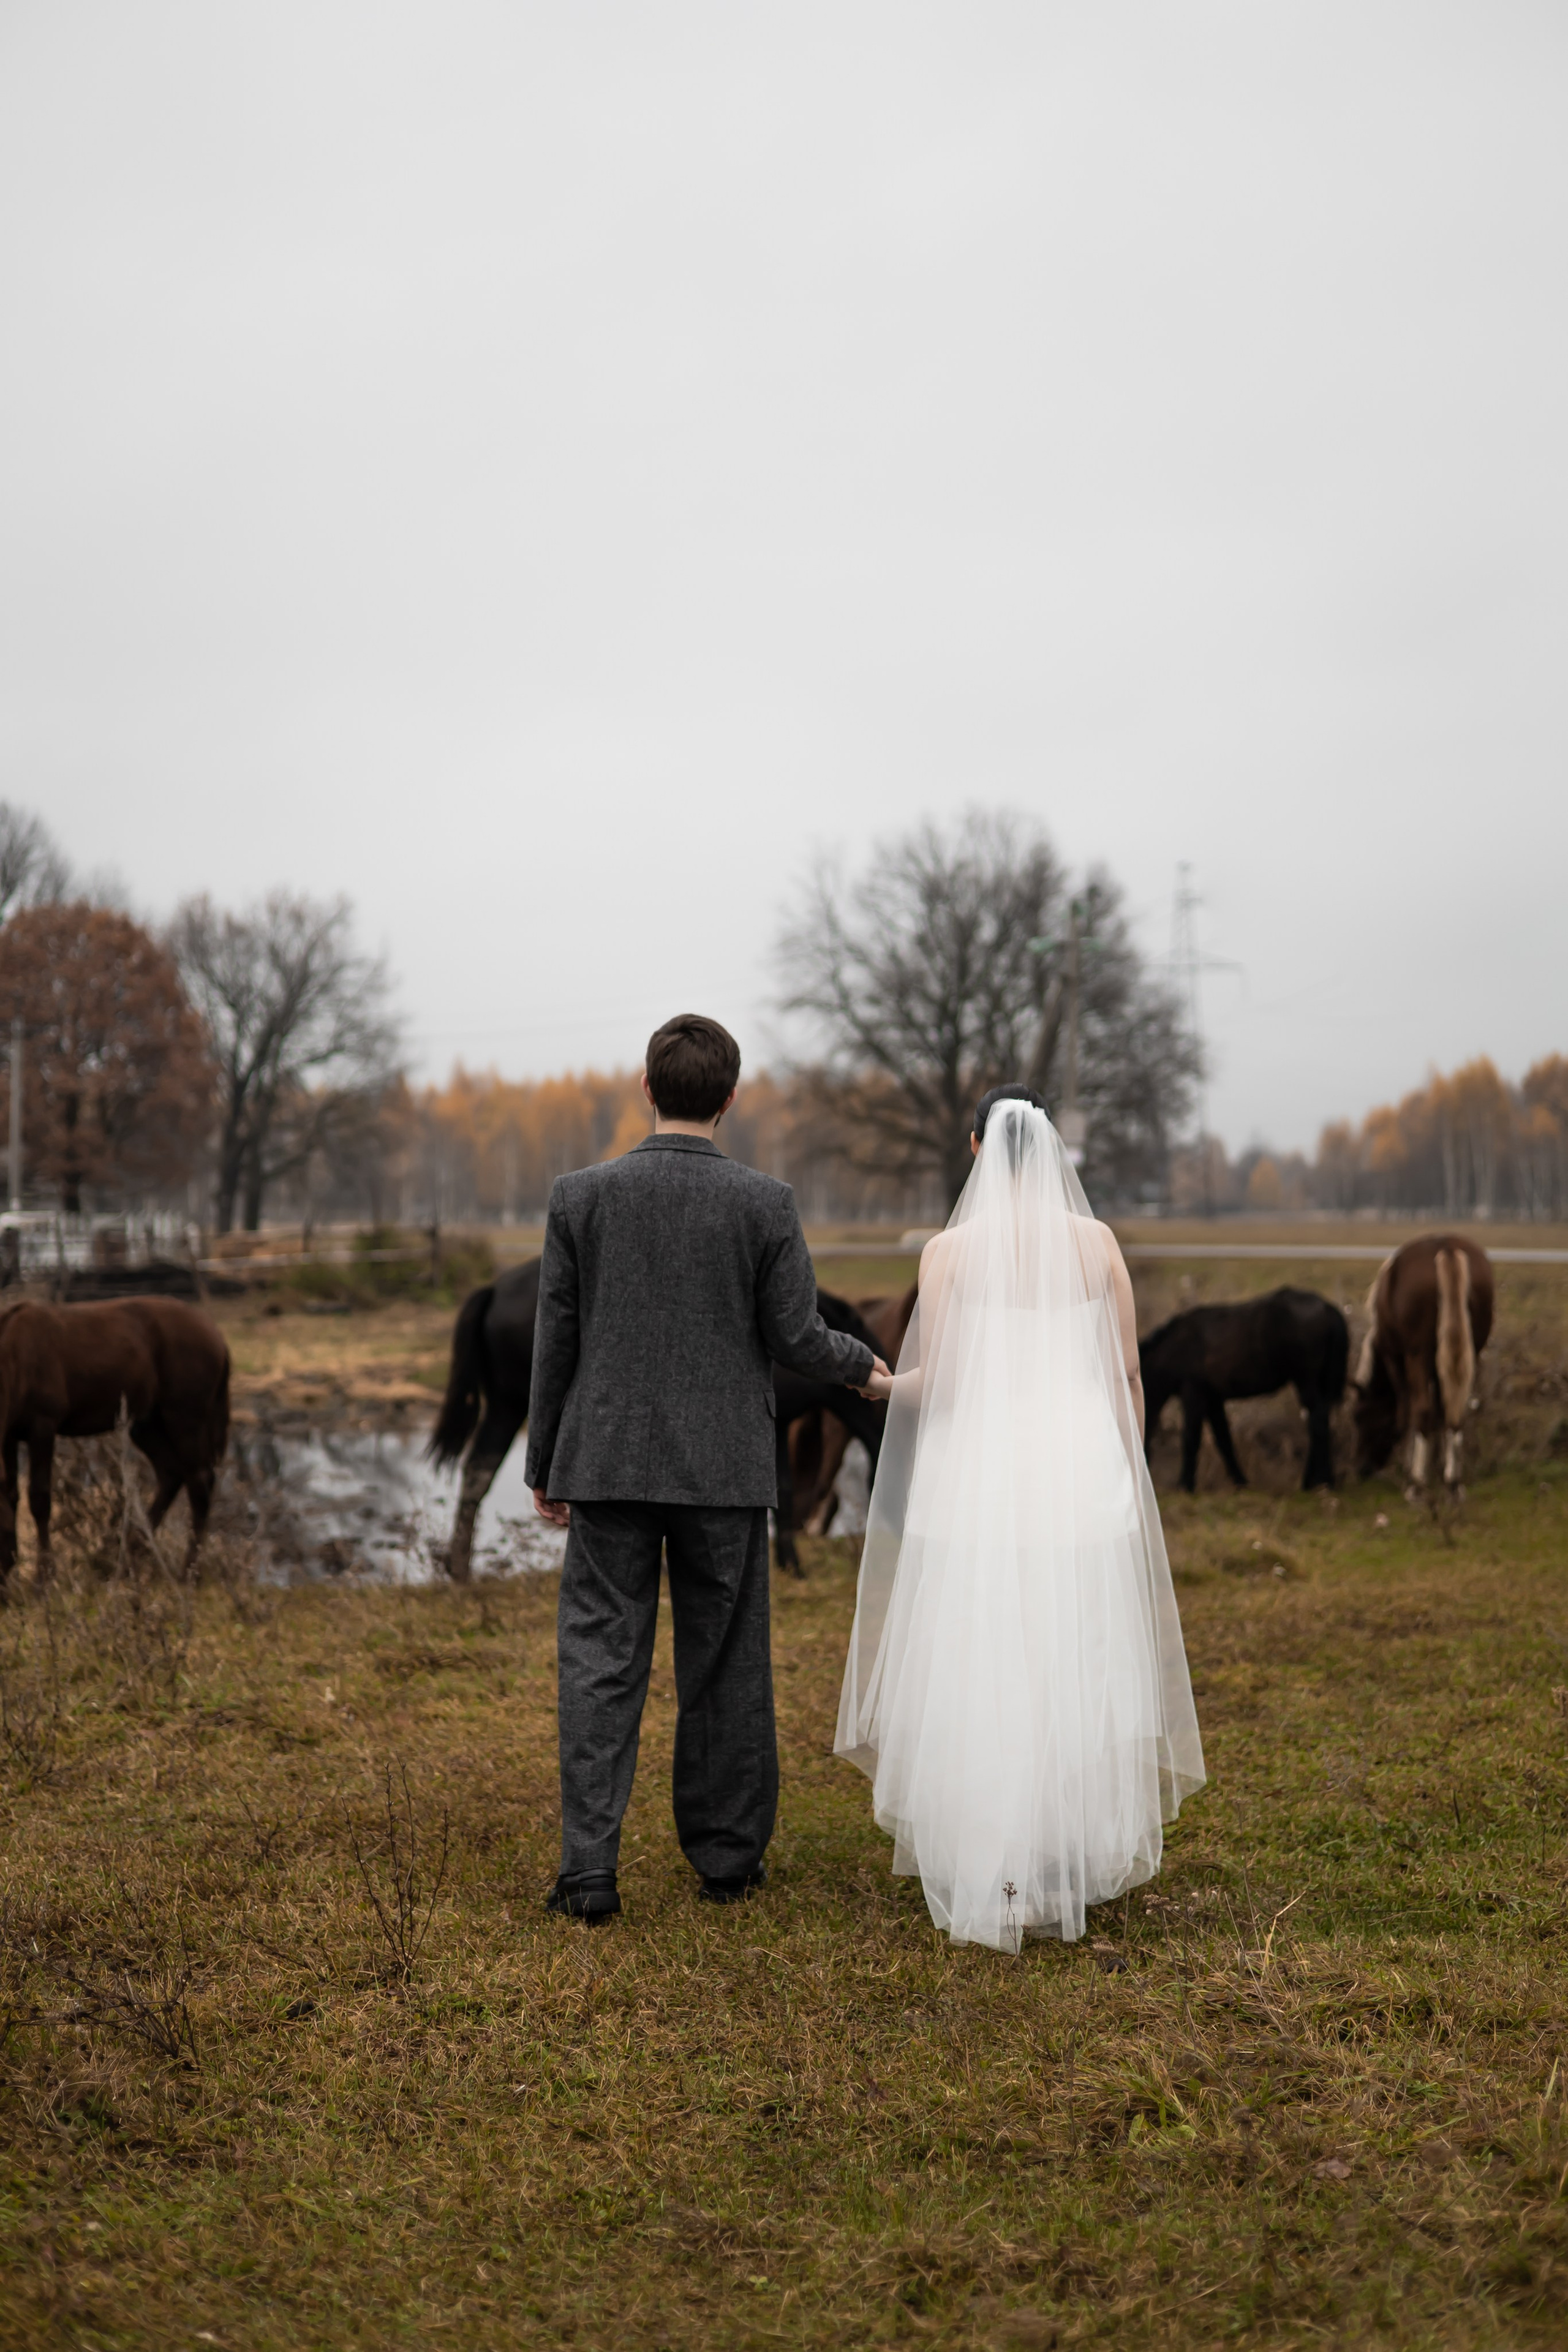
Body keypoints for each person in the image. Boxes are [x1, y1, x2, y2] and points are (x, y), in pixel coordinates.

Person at [526, 1013, 892, 1922]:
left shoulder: (579, 1196)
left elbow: (556, 1340)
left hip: (605, 1463)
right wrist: (863, 1367)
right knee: (726, 1665)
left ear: (647, 1088)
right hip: (726, 1470)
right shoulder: (765, 1203)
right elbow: (796, 1335)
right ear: (730, 1099)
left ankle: (588, 1875)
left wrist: (544, 1461)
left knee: (599, 1661)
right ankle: (727, 1864)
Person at [834, 1085, 1204, 1951]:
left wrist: (885, 1385)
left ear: (974, 1150)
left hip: (984, 1479)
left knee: (990, 1655)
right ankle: (1063, 1856)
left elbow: (950, 1380)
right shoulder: (1098, 1243)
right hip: (1078, 1473)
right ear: (1052, 1154)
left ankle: (997, 1865)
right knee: (1071, 1654)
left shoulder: (951, 1252)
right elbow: (1125, 1375)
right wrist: (1127, 1463)